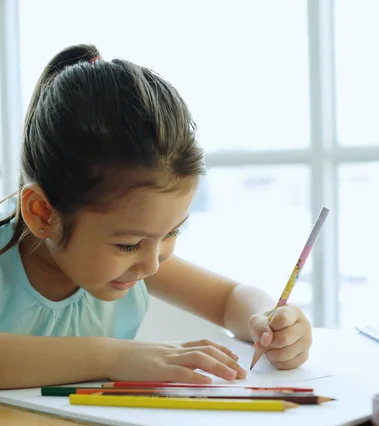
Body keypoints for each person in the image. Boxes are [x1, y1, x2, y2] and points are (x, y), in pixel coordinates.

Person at [0, 44, 312, 390]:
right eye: (129, 244)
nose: (152, 265)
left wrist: (268, 319)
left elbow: (229, 299)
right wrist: (112, 357)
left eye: (171, 232)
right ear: (43, 214)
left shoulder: (133, 263)